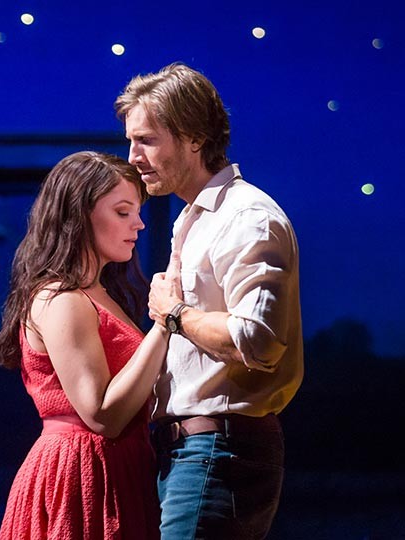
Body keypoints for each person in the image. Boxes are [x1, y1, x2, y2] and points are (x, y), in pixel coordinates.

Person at [115, 63, 304, 539]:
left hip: (218, 449)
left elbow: (257, 341)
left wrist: (173, 314)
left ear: (194, 137)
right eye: (131, 140)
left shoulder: (247, 218)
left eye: (147, 140)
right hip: (192, 449)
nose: (132, 156)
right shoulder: (192, 219)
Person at [0, 151, 168, 539]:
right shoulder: (62, 298)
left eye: (136, 212)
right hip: (82, 475)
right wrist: (166, 323)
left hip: (119, 470)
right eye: (122, 212)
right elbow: (102, 414)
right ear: (79, 215)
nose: (138, 225)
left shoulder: (99, 293)